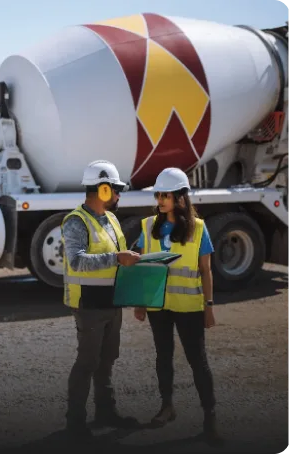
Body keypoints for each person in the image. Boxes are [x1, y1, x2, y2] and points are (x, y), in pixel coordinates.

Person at [132, 167, 223, 446]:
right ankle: (167, 407)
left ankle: (210, 417)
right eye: (158, 195)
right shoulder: (148, 226)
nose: (160, 200)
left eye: (165, 195)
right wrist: (140, 301)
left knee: (198, 362)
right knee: (163, 357)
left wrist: (209, 306)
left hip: (190, 307)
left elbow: (205, 270)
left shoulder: (198, 228)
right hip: (159, 305)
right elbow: (140, 264)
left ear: (181, 198)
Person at [61, 160, 141, 441]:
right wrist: (118, 258)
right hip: (90, 306)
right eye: (116, 190)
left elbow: (117, 258)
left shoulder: (111, 219)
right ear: (103, 189)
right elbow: (77, 261)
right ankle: (75, 425)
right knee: (87, 363)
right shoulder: (76, 221)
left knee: (106, 361)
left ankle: (106, 414)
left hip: (112, 302)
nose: (119, 195)